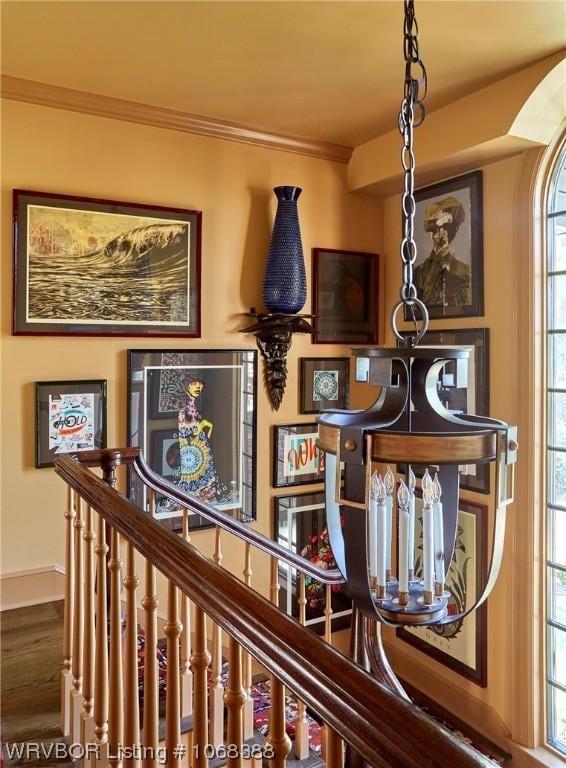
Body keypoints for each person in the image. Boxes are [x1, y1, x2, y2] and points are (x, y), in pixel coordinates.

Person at [414, 196, 471, 313]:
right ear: (431, 234)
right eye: (436, 229)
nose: (442, 234)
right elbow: (418, 308)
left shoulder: (464, 271)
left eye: (447, 227)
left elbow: (465, 305)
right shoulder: (420, 273)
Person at [177, 376, 217, 502]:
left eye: (200, 385)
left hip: (199, 446)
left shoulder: (194, 406)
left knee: (205, 472)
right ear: (186, 386)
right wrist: (201, 426)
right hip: (191, 447)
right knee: (194, 474)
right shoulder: (184, 408)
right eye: (194, 384)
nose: (198, 387)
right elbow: (185, 430)